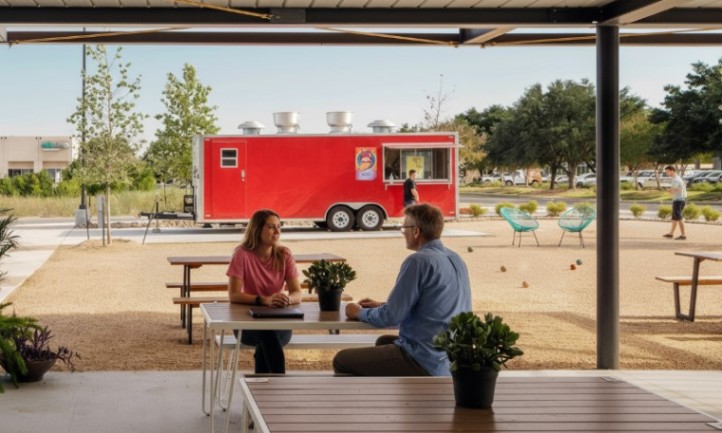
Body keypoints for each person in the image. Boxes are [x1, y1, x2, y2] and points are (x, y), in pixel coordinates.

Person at [332, 204, 472, 376]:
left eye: (404, 227)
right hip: (448, 356)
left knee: (342, 360)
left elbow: (390, 317)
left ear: (416, 231)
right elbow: (433, 307)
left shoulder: (418, 261)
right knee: (384, 341)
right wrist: (381, 305)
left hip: (425, 358)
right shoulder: (455, 258)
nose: (402, 232)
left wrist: (359, 313)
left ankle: (366, 402)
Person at [226, 209, 302, 374]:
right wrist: (264, 300)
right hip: (246, 324)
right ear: (257, 229)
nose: (276, 232)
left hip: (279, 322)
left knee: (267, 341)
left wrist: (288, 299)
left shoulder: (284, 255)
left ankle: (262, 392)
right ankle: (277, 386)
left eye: (278, 227)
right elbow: (233, 295)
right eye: (271, 227)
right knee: (267, 337)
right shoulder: (242, 254)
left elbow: (297, 292)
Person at [663, 165, 687, 240]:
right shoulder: (677, 178)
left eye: (668, 171)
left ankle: (683, 235)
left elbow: (674, 190)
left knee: (679, 217)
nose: (667, 173)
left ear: (672, 171)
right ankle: (671, 234)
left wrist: (669, 191)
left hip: (678, 200)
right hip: (679, 199)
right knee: (674, 218)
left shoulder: (676, 179)